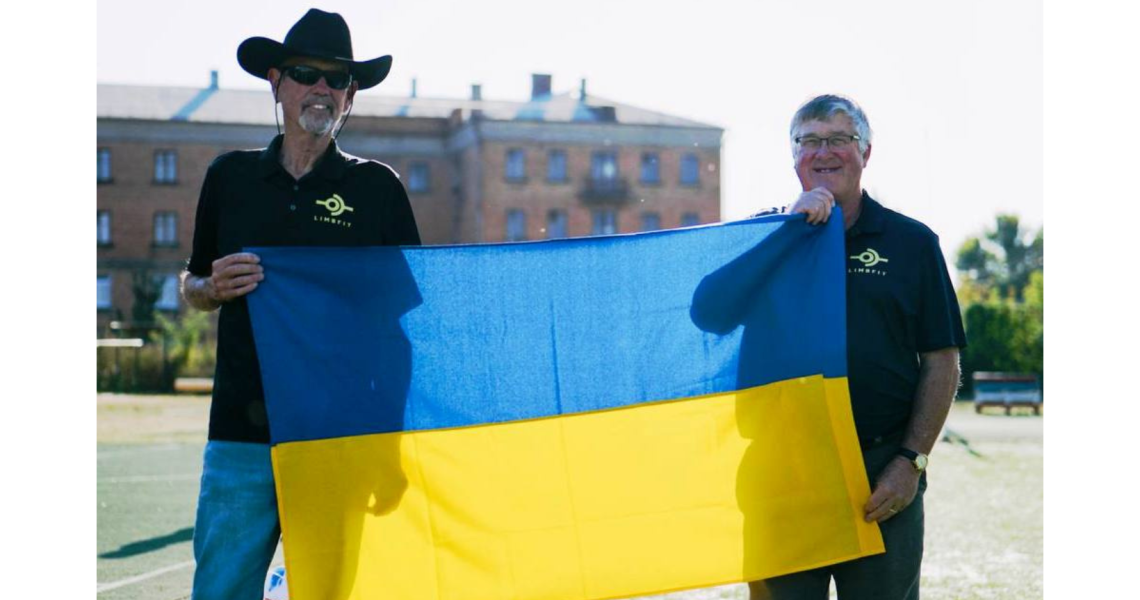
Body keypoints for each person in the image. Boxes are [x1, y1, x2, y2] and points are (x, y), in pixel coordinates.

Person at [180, 9, 421, 599]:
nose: (322, 87)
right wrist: (210, 288)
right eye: (306, 72)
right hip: (241, 431)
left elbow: (403, 330)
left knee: (329, 592)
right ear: (276, 82)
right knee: (220, 591)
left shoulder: (378, 189)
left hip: (337, 434)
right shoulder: (228, 178)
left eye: (336, 78)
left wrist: (391, 445)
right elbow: (189, 284)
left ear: (350, 97)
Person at [748, 94, 966, 600]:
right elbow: (707, 311)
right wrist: (786, 232)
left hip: (881, 471)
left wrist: (910, 462)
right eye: (809, 141)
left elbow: (942, 359)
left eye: (839, 139)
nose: (824, 152)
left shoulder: (913, 243)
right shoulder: (763, 235)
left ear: (865, 153)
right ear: (793, 156)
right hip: (785, 471)